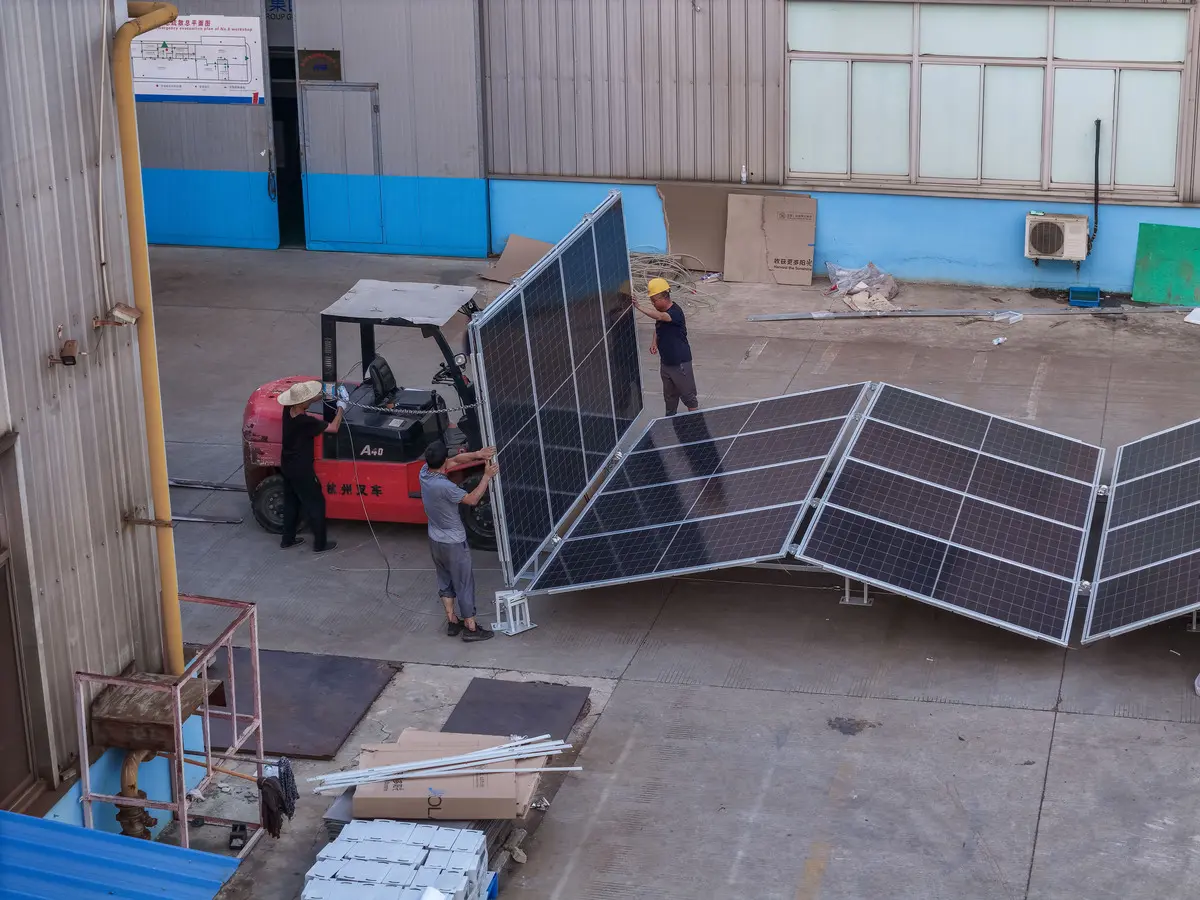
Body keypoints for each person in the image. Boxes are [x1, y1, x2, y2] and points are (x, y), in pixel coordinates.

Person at [419, 440, 499, 642]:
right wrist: (486, 477)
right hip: (454, 542)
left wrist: (478, 454)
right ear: (443, 461)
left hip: (435, 539)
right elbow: (472, 499)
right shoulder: (446, 487)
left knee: (444, 579)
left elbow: (455, 460)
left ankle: (452, 621)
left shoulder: (424, 473)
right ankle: (471, 628)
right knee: (464, 583)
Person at [277, 379, 345, 553]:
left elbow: (305, 401)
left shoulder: (288, 410)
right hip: (302, 470)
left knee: (291, 501)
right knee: (316, 503)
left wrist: (325, 395)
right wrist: (341, 407)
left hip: (287, 465)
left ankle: (288, 539)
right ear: (301, 403)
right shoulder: (306, 422)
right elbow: (333, 427)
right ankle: (320, 544)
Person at [631, 277, 698, 416]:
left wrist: (638, 306)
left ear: (663, 298)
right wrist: (654, 341)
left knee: (689, 397)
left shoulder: (675, 313)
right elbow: (658, 324)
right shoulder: (662, 315)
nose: (653, 303)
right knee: (670, 398)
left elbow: (661, 317)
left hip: (680, 363)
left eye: (654, 300)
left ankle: (695, 420)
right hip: (666, 363)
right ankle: (670, 420)